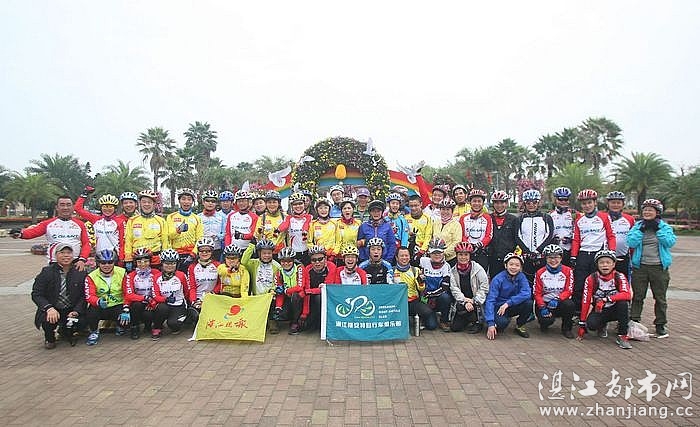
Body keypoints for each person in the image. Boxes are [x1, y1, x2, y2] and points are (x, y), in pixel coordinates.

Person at [627, 198, 676, 338]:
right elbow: (631, 242)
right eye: (645, 210)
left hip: (658, 267)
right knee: (638, 296)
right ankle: (634, 322)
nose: (647, 212)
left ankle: (660, 324)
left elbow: (669, 242)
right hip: (640, 267)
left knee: (660, 298)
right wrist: (641, 231)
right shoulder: (638, 226)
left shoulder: (664, 227)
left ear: (657, 212)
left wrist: (658, 230)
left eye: (650, 210)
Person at [11, 195, 90, 270]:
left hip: (76, 263)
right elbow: (33, 232)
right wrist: (20, 234)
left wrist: (82, 259)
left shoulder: (80, 224)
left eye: (68, 205)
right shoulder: (48, 223)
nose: (65, 207)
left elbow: (86, 243)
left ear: (72, 207)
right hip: (54, 263)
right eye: (62, 205)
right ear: (57, 207)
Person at [31, 243, 87, 349]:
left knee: (84, 321)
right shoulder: (47, 272)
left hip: (70, 309)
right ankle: (50, 338)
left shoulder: (80, 272)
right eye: (62, 253)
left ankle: (65, 330)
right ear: (56, 255)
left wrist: (76, 311)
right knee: (48, 320)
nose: (66, 256)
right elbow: (36, 294)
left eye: (69, 253)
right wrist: (48, 308)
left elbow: (84, 295)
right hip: (53, 308)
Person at [570, 189, 616, 311]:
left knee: (597, 285)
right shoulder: (579, 220)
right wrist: (573, 256)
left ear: (595, 202)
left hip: (598, 254)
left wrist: (611, 252)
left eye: (589, 202)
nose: (587, 206)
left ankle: (598, 311)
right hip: (583, 254)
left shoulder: (604, 217)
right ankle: (578, 311)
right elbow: (576, 239)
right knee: (579, 284)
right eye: (584, 203)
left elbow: (611, 236)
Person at [577, 250, 633, 349]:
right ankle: (602, 325)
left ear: (613, 264)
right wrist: (582, 323)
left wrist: (606, 299)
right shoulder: (591, 278)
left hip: (615, 308)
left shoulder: (619, 276)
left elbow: (627, 294)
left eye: (608, 262)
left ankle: (622, 336)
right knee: (591, 325)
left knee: (623, 304)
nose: (605, 265)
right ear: (597, 265)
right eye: (601, 262)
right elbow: (586, 301)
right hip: (600, 310)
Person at [84, 249, 129, 345]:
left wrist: (126, 308)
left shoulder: (122, 272)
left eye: (110, 262)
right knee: (91, 310)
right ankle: (94, 331)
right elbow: (89, 296)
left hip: (118, 305)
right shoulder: (91, 276)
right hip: (101, 306)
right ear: (98, 263)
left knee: (129, 318)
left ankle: (120, 326)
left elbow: (127, 293)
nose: (107, 265)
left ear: (114, 262)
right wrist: (98, 301)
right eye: (103, 263)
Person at [484, 252, 533, 340]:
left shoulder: (522, 277)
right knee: (501, 324)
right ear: (505, 265)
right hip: (499, 307)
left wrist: (508, 303)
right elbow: (490, 300)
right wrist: (490, 323)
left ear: (521, 267)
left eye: (517, 265)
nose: (514, 267)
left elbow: (527, 293)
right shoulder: (498, 279)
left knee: (528, 303)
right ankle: (494, 320)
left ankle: (520, 325)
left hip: (510, 305)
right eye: (511, 264)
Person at [533, 244, 576, 338]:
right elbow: (537, 293)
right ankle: (544, 324)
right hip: (545, 303)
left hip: (560, 302)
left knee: (570, 305)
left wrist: (558, 299)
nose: (553, 260)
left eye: (556, 257)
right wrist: (542, 306)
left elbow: (569, 290)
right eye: (550, 257)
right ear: (546, 258)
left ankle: (566, 329)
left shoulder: (568, 271)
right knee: (546, 321)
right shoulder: (540, 272)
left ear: (561, 258)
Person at [242, 238, 283, 333]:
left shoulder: (277, 266)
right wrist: (251, 246)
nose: (267, 256)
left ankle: (272, 321)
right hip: (256, 296)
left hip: (269, 296)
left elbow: (277, 281)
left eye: (269, 253)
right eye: (264, 253)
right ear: (259, 253)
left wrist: (273, 289)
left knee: (273, 302)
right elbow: (243, 262)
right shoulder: (254, 263)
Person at [515, 189, 554, 286]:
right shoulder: (520, 219)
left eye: (534, 202)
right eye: (528, 203)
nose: (531, 205)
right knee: (527, 283)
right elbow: (517, 236)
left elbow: (549, 235)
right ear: (525, 204)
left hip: (542, 256)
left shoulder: (546, 217)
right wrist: (527, 251)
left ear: (538, 203)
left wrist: (538, 250)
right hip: (527, 257)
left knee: (543, 283)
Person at [448, 242, 489, 333]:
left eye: (466, 254)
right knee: (455, 328)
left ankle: (477, 322)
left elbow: (484, 287)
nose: (463, 257)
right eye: (460, 254)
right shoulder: (453, 271)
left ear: (470, 256)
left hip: (476, 301)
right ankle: (468, 319)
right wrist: (465, 301)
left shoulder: (478, 269)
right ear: (456, 255)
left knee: (472, 308)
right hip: (463, 301)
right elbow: (454, 289)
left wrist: (474, 301)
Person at [75, 189, 126, 261]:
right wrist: (84, 194)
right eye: (105, 206)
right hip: (99, 257)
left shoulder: (120, 221)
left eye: (110, 207)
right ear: (101, 208)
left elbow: (122, 242)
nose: (107, 209)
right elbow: (78, 209)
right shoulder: (95, 219)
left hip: (114, 257)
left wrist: (121, 259)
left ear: (115, 209)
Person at [124, 190, 169, 271]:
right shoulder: (132, 220)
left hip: (155, 260)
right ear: (140, 204)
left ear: (154, 204)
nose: (146, 204)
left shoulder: (161, 221)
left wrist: (165, 259)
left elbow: (165, 242)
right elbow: (128, 241)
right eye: (144, 202)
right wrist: (128, 258)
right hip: (137, 260)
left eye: (149, 202)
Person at [393, 246, 435, 330]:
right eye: (401, 256)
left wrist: (421, 281)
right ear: (397, 258)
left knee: (432, 325)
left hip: (413, 302)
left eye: (406, 255)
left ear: (410, 257)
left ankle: (419, 318)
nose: (404, 258)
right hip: (398, 303)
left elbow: (421, 289)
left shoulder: (415, 270)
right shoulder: (392, 271)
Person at [151, 249, 188, 340]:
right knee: (161, 308)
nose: (170, 266)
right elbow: (155, 295)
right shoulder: (156, 277)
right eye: (167, 263)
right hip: (165, 304)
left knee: (173, 325)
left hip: (178, 304)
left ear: (176, 264)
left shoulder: (181, 275)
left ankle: (185, 318)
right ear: (162, 264)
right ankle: (157, 327)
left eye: (173, 263)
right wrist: (165, 299)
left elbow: (187, 291)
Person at [123, 248, 160, 340]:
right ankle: (134, 327)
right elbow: (129, 295)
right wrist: (146, 298)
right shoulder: (131, 276)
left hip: (152, 303)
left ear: (150, 262)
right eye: (139, 262)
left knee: (151, 313)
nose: (143, 264)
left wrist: (153, 301)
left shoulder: (156, 273)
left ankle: (150, 326)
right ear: (135, 263)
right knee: (136, 305)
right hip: (139, 302)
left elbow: (160, 291)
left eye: (146, 261)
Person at [166, 188, 204, 272]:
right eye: (183, 199)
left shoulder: (197, 218)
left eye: (189, 199)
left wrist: (193, 254)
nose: (186, 202)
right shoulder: (171, 217)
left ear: (192, 202)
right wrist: (178, 230)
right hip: (176, 254)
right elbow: (169, 236)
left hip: (191, 254)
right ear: (179, 201)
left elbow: (200, 238)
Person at [419, 238, 453, 332]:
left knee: (446, 297)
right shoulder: (423, 261)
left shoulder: (446, 266)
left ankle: (443, 320)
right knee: (431, 326)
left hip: (437, 297)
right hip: (424, 298)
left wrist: (430, 295)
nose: (437, 255)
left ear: (443, 252)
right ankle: (425, 316)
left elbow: (444, 288)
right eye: (434, 252)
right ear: (429, 253)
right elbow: (411, 261)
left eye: (439, 252)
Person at [301, 246, 337, 331]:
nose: (317, 262)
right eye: (314, 260)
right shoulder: (307, 269)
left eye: (320, 259)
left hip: (326, 298)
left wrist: (309, 291)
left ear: (325, 259)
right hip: (311, 299)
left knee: (319, 297)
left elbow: (327, 288)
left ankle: (323, 322)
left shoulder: (331, 267)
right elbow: (306, 291)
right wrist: (304, 313)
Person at [186, 237, 220, 324]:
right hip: (198, 298)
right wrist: (194, 301)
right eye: (202, 250)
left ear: (212, 252)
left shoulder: (217, 265)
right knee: (197, 317)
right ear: (198, 252)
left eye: (208, 251)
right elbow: (192, 287)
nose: (204, 253)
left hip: (212, 297)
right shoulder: (192, 267)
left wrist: (213, 294)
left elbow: (220, 284)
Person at [459, 188, 493, 271]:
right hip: (467, 252)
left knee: (481, 275)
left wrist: (480, 244)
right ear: (470, 202)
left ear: (483, 203)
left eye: (479, 201)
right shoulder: (463, 218)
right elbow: (461, 234)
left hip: (481, 252)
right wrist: (468, 244)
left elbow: (489, 234)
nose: (476, 203)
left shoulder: (487, 218)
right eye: (474, 201)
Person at [273, 247, 305, 334]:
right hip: (287, 297)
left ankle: (295, 322)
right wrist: (278, 307)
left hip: (300, 297)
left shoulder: (299, 268)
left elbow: (300, 287)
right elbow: (279, 291)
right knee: (281, 312)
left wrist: (286, 291)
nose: (286, 263)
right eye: (283, 261)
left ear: (293, 260)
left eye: (289, 261)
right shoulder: (279, 272)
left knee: (296, 296)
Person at [605, 191, 636, 277]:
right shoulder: (602, 217)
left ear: (623, 204)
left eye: (618, 203)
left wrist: (633, 257)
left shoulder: (630, 219)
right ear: (608, 204)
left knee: (623, 281)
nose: (615, 205)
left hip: (623, 257)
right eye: (613, 202)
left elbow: (633, 239)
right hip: (604, 258)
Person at [488, 190, 518, 278]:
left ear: (507, 203)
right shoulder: (488, 218)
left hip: (508, 258)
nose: (499, 205)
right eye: (496, 203)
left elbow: (517, 238)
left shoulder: (513, 219)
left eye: (502, 202)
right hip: (492, 258)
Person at [277, 192, 313, 265]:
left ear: (304, 204)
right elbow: (281, 229)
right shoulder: (288, 218)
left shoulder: (310, 217)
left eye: (300, 203)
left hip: (308, 252)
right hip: (294, 253)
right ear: (291, 206)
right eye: (295, 204)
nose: (298, 206)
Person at [549, 187, 577, 267]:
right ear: (555, 200)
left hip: (569, 251)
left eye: (565, 199)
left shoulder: (574, 215)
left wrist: (571, 240)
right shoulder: (550, 215)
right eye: (560, 199)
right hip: (554, 251)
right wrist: (552, 240)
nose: (563, 202)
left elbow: (578, 233)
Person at [253, 190, 286, 256]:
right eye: (269, 202)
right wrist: (259, 232)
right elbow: (256, 236)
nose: (272, 205)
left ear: (279, 203)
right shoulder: (262, 218)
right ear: (266, 204)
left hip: (281, 252)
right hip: (267, 252)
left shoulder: (285, 217)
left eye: (274, 202)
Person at [430, 199, 462, 267]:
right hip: (435, 258)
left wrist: (442, 253)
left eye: (448, 209)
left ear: (452, 211)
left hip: (450, 259)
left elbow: (456, 242)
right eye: (443, 209)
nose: (445, 212)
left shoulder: (456, 224)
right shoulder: (436, 222)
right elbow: (431, 238)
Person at [404, 194, 432, 266]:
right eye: (411, 206)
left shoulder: (427, 218)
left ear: (421, 204)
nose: (413, 208)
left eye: (416, 205)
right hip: (407, 251)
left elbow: (428, 236)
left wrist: (422, 251)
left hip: (421, 251)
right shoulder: (405, 218)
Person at [199, 190, 226, 261]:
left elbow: (225, 233)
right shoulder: (198, 217)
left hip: (216, 248)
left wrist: (218, 236)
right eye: (207, 201)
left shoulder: (222, 217)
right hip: (202, 249)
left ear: (216, 203)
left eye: (213, 201)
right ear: (203, 202)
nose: (210, 203)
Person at [310, 197, 338, 263]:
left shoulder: (335, 223)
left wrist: (334, 252)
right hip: (318, 256)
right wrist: (316, 251)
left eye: (325, 208)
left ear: (329, 209)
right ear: (317, 210)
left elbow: (338, 241)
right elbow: (309, 242)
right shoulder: (312, 224)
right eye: (320, 208)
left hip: (332, 255)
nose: (323, 210)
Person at [334, 198, 361, 266]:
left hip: (354, 256)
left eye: (349, 208)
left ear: (353, 209)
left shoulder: (358, 223)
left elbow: (363, 237)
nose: (347, 210)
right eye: (344, 208)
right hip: (340, 257)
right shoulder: (336, 223)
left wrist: (362, 242)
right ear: (341, 211)